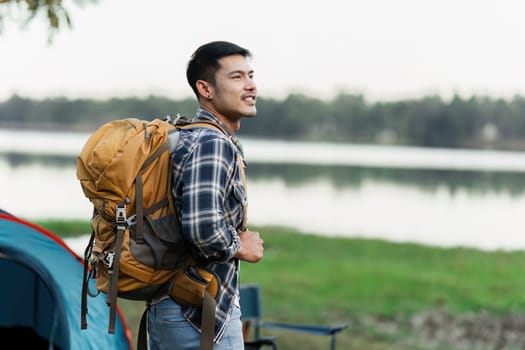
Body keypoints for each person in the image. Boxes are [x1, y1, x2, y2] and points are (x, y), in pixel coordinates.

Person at [147, 41, 264, 349]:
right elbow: (203, 230)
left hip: (178, 306)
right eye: (236, 77)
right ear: (206, 89)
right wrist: (242, 245)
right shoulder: (213, 143)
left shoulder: (189, 134)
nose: (251, 85)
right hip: (198, 315)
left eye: (250, 75)